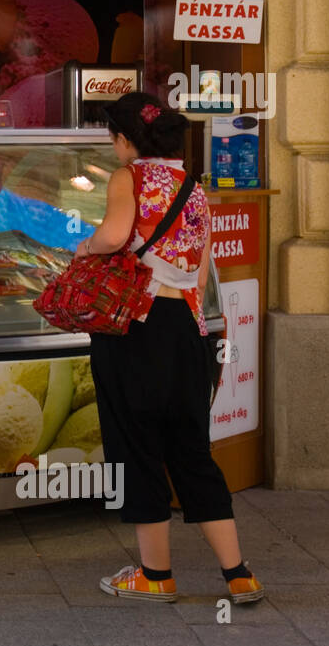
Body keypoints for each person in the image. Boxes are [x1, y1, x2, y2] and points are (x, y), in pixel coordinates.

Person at [80, 92, 264, 605]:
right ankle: (239, 574)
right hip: (185, 330)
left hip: (135, 328)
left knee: (136, 446)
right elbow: (199, 271)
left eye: (112, 136)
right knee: (191, 450)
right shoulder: (193, 186)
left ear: (127, 139)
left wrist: (85, 245)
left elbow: (116, 236)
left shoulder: (129, 178)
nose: (112, 145)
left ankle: (155, 576)